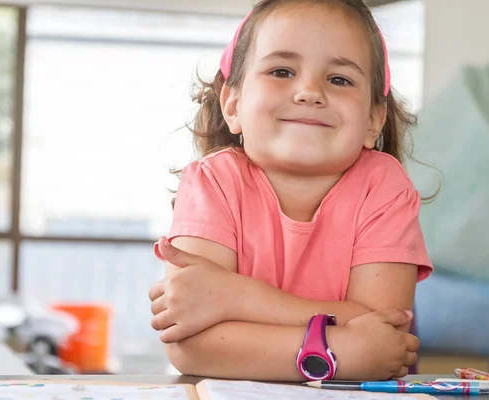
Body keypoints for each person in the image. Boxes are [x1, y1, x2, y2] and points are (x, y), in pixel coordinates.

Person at [148, 0, 433, 382]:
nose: (309, 92)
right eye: (281, 71)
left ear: (372, 119)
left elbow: (384, 333)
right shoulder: (211, 182)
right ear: (233, 105)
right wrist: (339, 350)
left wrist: (236, 298)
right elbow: (190, 346)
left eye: (339, 79)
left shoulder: (384, 188)